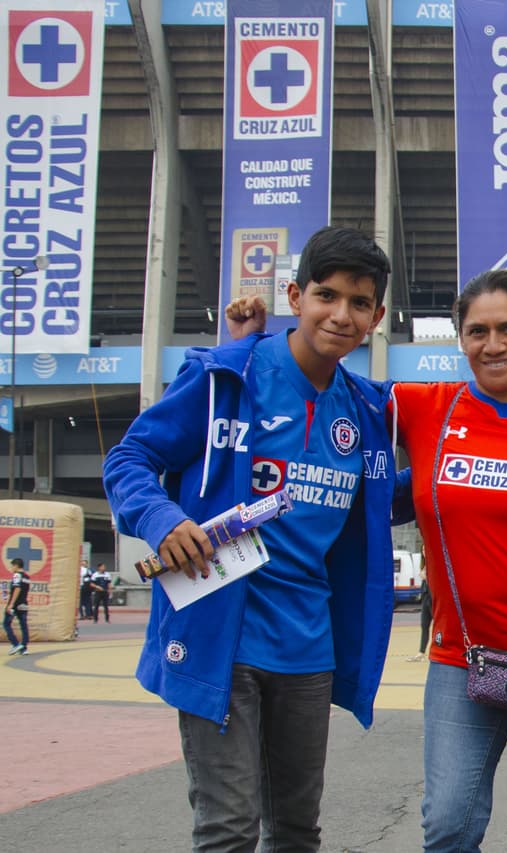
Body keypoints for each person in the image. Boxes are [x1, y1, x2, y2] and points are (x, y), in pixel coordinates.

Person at [228, 266, 507, 851]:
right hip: (462, 658)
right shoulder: (422, 407)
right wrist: (246, 346)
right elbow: (318, 386)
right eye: (477, 331)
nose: (494, 344)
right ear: (461, 339)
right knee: (449, 825)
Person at [103, 226, 400, 852]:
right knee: (228, 829)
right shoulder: (224, 378)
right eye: (326, 295)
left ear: (376, 317)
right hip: (221, 634)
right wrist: (163, 520)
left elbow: (381, 503)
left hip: (308, 649)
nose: (341, 314)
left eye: (360, 302)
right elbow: (130, 458)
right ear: (296, 295)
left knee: (296, 831)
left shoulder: (369, 410)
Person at [5, 558, 30, 655]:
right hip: (24, 603)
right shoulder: (27, 577)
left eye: (12, 566)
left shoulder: (17, 575)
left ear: (16, 565)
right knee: (23, 625)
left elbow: (17, 588)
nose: (11, 568)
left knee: (6, 623)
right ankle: (24, 647)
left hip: (15, 604)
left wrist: (11, 604)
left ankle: (15, 644)